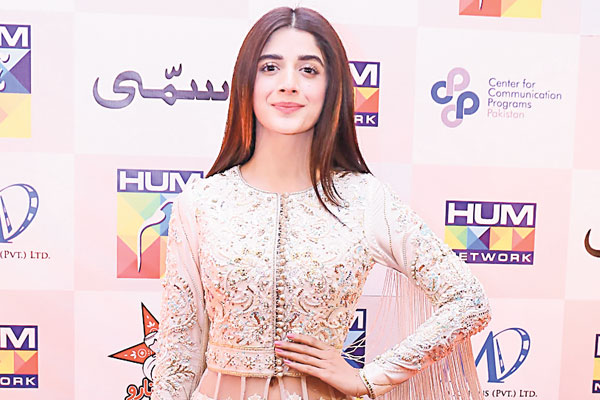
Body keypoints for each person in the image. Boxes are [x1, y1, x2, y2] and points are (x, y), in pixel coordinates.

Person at [150, 6, 491, 400]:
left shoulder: (363, 199)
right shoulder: (202, 202)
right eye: (270, 67)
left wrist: (371, 377)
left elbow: (469, 301)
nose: (289, 84)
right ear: (246, 81)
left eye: (308, 70)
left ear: (332, 87)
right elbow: (180, 351)